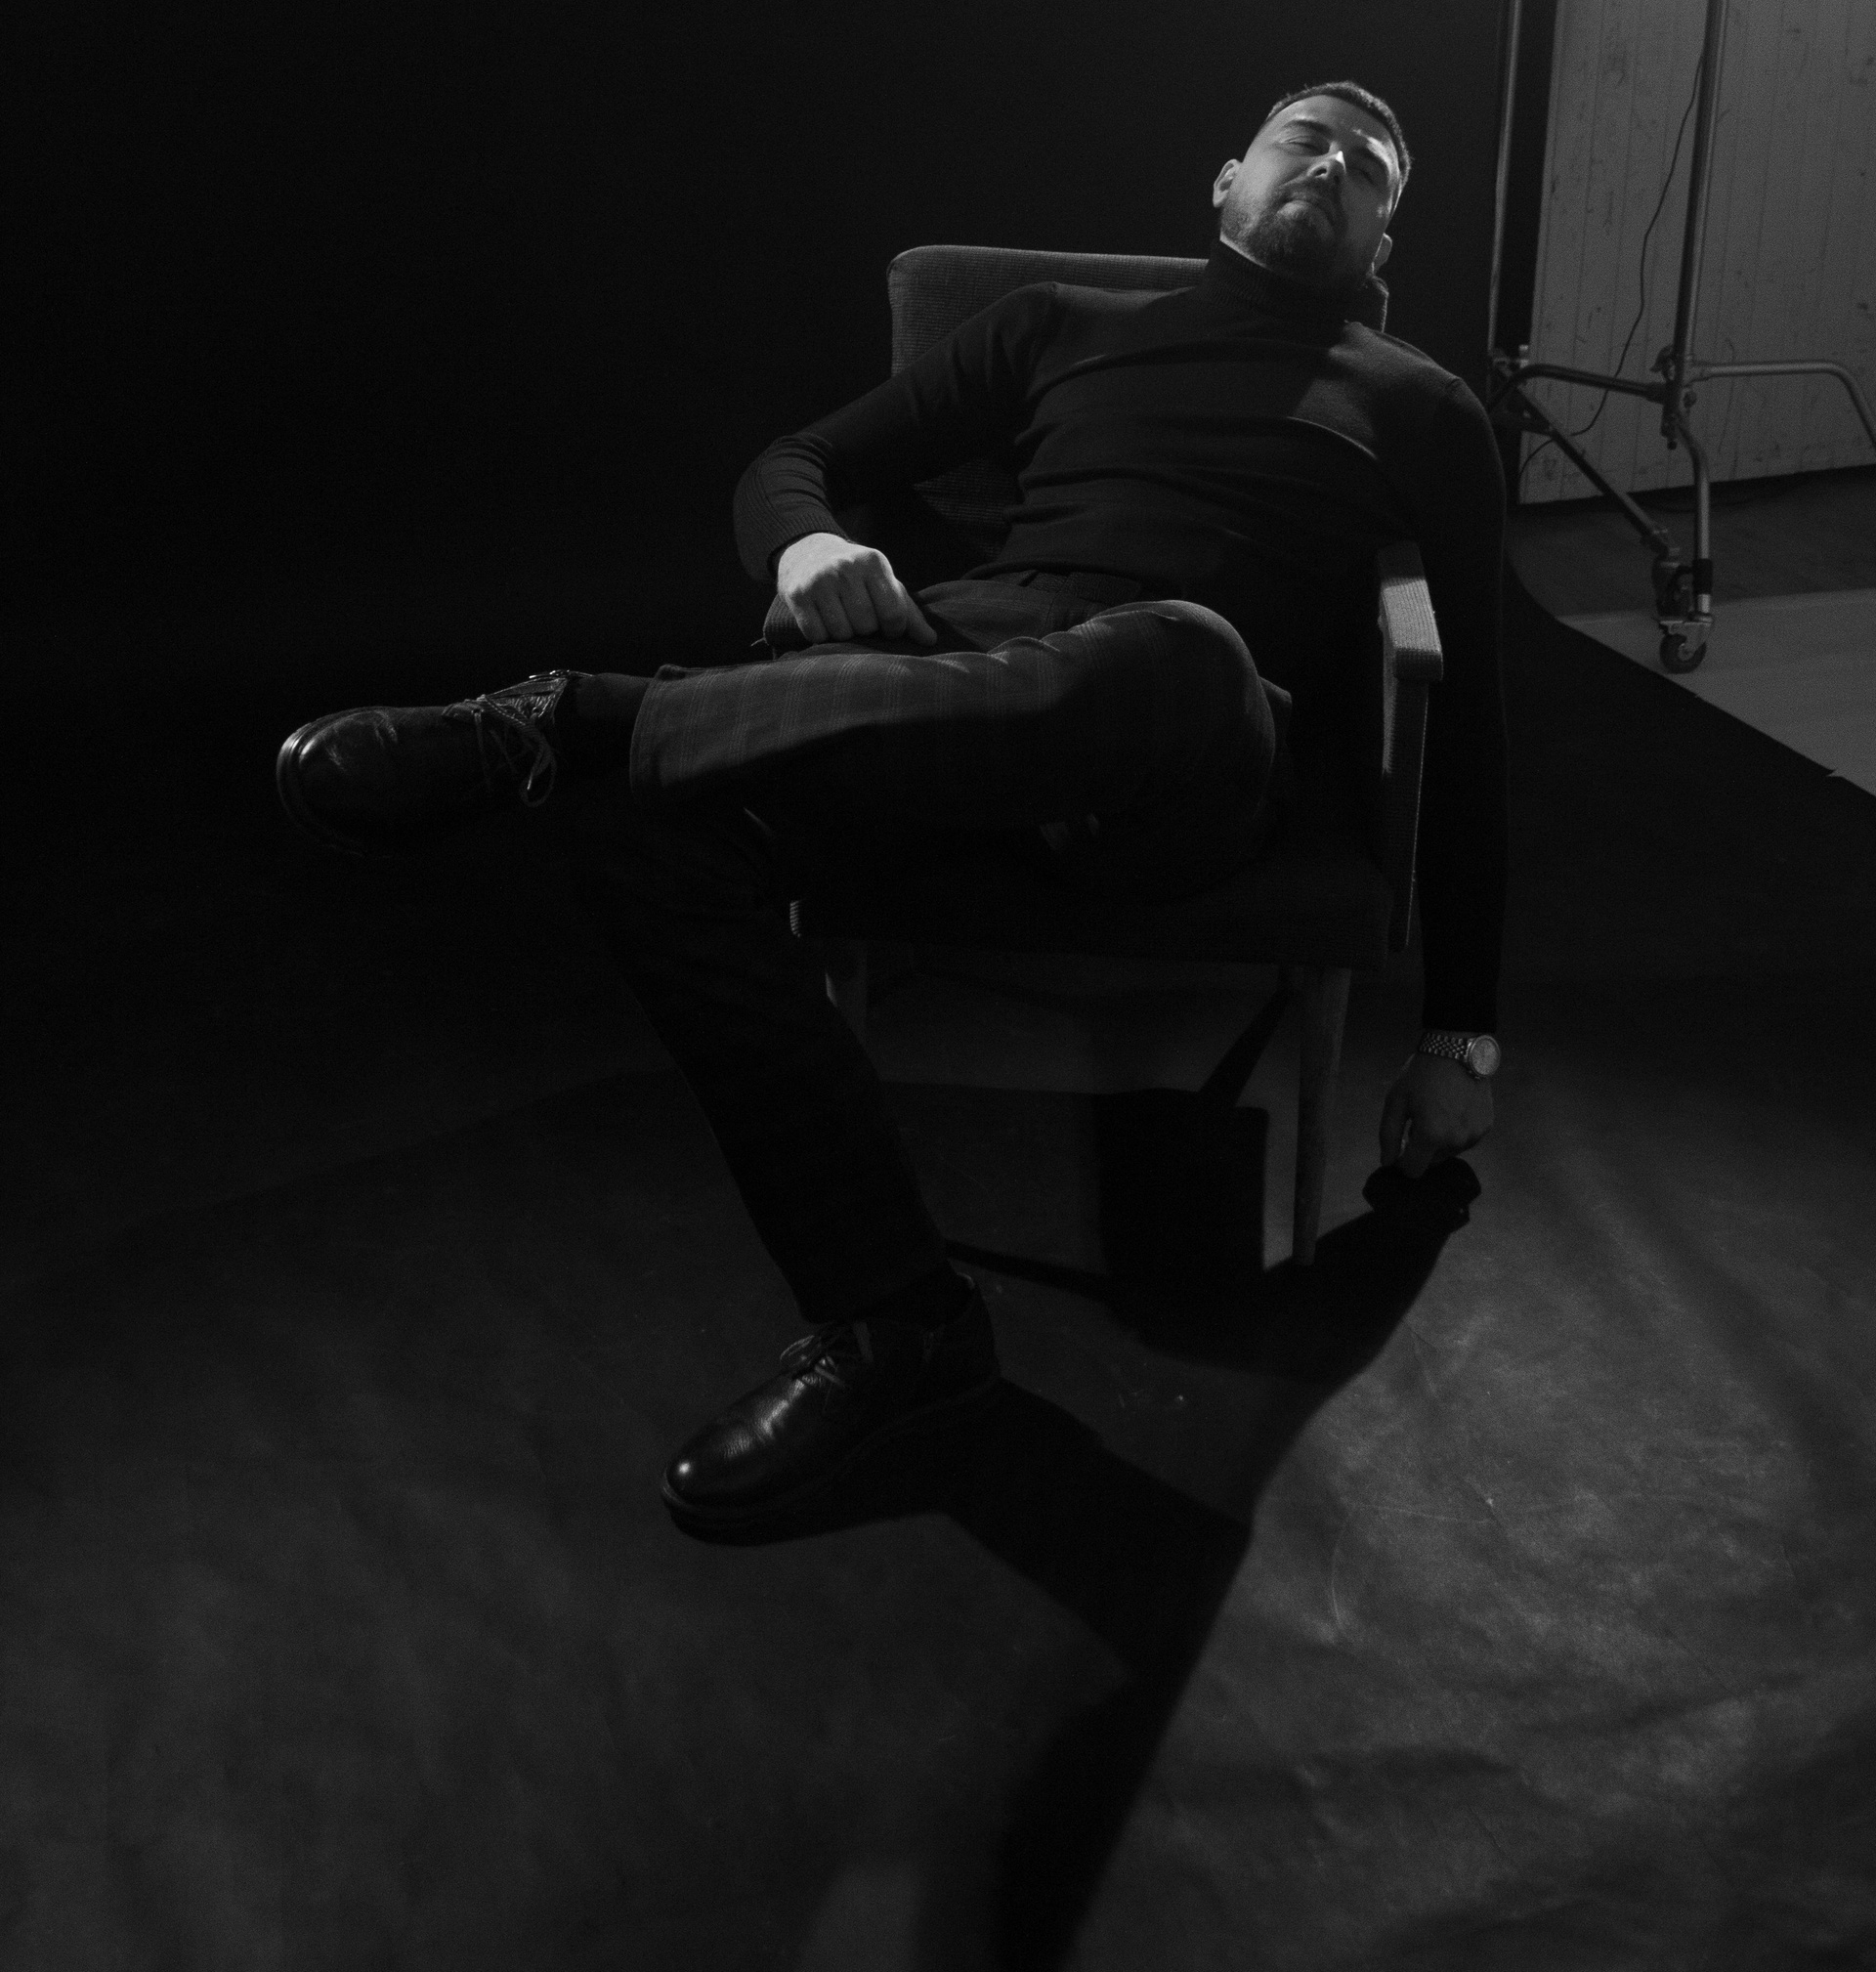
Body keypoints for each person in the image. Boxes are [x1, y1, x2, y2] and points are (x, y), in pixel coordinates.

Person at [277, 81, 1505, 1534]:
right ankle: (895, 1320)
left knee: (1177, 650)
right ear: (1228, 178)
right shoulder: (1061, 324)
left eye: (1371, 170)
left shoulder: (1420, 404)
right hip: (957, 689)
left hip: (1181, 751)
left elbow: (1480, 708)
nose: (1337, 164)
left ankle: (568, 720)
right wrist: (804, 546)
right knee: (653, 839)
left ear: (1379, 245)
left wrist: (1460, 1031)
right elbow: (794, 464)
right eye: (1310, 138)